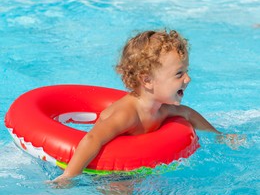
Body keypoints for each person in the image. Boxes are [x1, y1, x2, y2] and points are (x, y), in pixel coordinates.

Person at [52, 29, 243, 184]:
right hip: (107, 173)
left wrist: (219, 136)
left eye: (186, 71)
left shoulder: (161, 109)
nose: (188, 78)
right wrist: (68, 177)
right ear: (147, 80)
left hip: (139, 167)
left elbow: (187, 113)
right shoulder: (127, 114)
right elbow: (93, 138)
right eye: (179, 74)